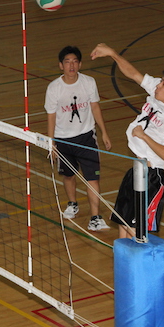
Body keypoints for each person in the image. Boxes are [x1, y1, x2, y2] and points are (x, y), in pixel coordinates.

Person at [90, 43, 164, 304]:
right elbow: (134, 74)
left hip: (152, 177)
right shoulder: (158, 92)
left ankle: (163, 284)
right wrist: (113, 54)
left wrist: (144, 136)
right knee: (123, 231)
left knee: (138, 235)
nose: (158, 85)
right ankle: (129, 284)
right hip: (135, 169)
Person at [45, 45, 112, 231]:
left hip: (86, 137)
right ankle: (72, 203)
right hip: (63, 140)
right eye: (67, 62)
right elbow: (51, 116)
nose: (71, 65)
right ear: (61, 65)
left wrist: (104, 132)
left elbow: (95, 107)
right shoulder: (54, 88)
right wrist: (51, 142)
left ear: (80, 64)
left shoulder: (89, 82)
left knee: (93, 178)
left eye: (75, 61)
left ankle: (95, 218)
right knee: (68, 175)